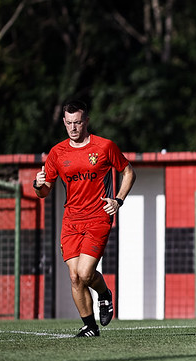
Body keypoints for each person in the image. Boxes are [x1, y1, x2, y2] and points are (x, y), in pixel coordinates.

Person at [33, 100, 136, 337]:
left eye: (77, 122)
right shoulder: (57, 153)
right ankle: (90, 326)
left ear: (86, 121)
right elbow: (44, 191)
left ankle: (104, 294)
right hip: (71, 220)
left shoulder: (105, 146)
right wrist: (37, 185)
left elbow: (128, 172)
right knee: (74, 276)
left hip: (98, 217)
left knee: (86, 273)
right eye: (69, 123)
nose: (73, 128)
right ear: (64, 123)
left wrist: (118, 200)